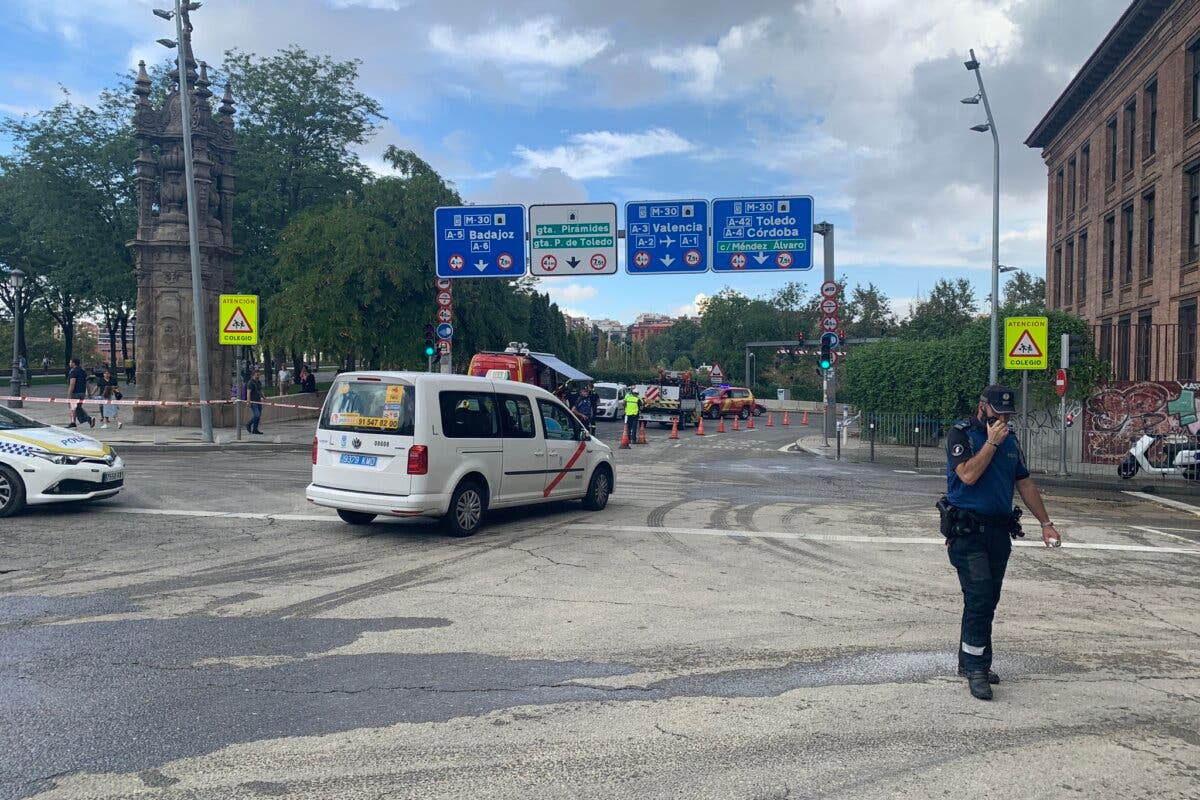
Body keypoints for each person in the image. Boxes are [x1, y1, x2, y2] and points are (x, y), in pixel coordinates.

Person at [943, 384, 1062, 701]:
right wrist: (991, 444)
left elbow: (1024, 483)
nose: (1003, 419)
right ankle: (977, 668)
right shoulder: (962, 435)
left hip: (998, 532)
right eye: (998, 412)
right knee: (980, 595)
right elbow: (967, 475)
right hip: (967, 532)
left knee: (986, 600)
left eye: (1008, 414)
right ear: (982, 407)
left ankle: (969, 661)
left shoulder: (1012, 441)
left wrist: (1046, 523)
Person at [65, 358, 94, 429]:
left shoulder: (73, 372)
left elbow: (72, 383)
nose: (69, 364)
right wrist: (89, 393)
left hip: (75, 393)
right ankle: (89, 419)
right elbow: (87, 383)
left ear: (74, 363)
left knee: (73, 408)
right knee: (78, 407)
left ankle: (73, 423)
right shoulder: (83, 371)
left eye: (70, 362)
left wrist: (69, 394)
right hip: (82, 392)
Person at [246, 369, 264, 435]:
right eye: (257, 375)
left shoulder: (258, 382)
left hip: (259, 401)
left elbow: (260, 390)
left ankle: (255, 429)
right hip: (253, 401)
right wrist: (248, 401)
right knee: (257, 415)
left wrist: (264, 397)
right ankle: (248, 424)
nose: (258, 376)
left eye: (259, 375)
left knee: (258, 416)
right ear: (253, 375)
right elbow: (248, 393)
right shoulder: (250, 382)